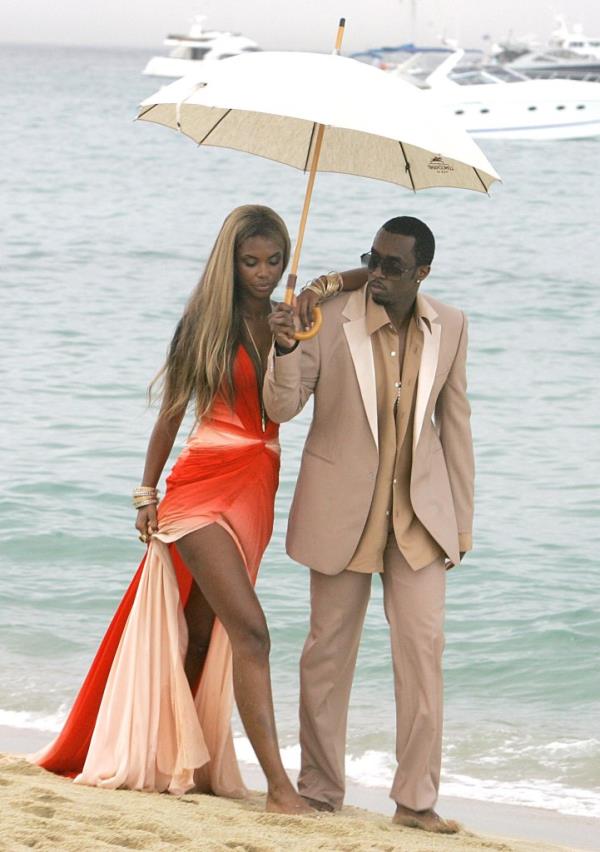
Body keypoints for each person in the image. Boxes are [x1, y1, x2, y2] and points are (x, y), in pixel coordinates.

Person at [32, 204, 348, 813]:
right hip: (200, 488)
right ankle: (281, 790)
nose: (262, 272)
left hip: (257, 489)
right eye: (250, 261)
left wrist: (318, 289)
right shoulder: (205, 324)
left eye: (274, 260)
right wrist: (146, 493)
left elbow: (355, 288)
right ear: (229, 261)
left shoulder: (292, 319)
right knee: (252, 632)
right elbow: (172, 412)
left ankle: (171, 758)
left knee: (201, 637)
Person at [264, 216, 474, 833]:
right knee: (326, 655)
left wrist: (461, 525)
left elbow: (455, 424)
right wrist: (283, 346)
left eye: (393, 266)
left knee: (423, 653)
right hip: (342, 514)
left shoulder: (452, 325)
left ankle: (415, 802)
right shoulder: (330, 319)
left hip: (419, 521)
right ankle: (322, 791)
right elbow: (281, 406)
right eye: (372, 259)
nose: (377, 274)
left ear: (423, 272)